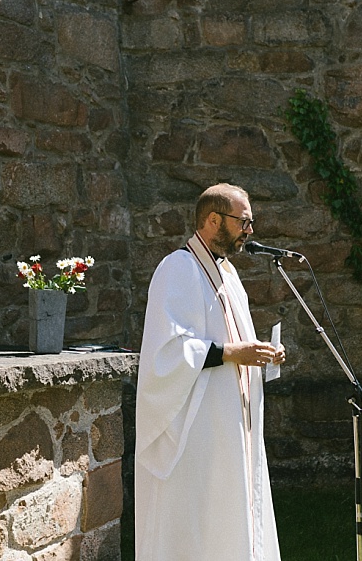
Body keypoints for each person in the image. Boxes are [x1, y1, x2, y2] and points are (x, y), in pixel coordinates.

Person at [135, 183, 286, 561]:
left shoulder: (229, 276)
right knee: (201, 518)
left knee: (232, 510)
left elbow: (235, 342)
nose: (250, 231)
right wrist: (238, 353)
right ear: (213, 220)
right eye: (243, 222)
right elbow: (167, 352)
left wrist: (264, 354)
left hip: (232, 420)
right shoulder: (178, 268)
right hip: (198, 424)